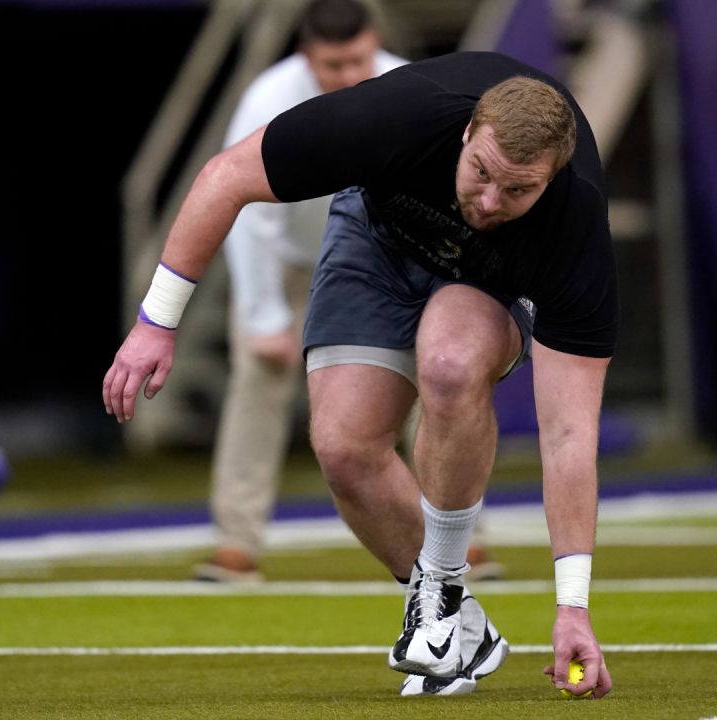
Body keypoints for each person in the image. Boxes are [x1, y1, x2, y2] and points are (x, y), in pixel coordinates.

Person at [104, 51, 616, 700]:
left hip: (487, 285)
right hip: (379, 240)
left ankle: (438, 595)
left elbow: (569, 435)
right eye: (481, 172)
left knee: (450, 361)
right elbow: (224, 176)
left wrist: (574, 606)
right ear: (465, 136)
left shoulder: (575, 222)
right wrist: (156, 322)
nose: (488, 201)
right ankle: (464, 627)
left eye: (518, 189)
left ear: (553, 178)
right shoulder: (394, 117)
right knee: (345, 448)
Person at [195, 0, 503, 584]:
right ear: (306, 56)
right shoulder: (267, 97)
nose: (347, 77)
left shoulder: (406, 85)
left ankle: (460, 536)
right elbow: (245, 212)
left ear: (374, 44)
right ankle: (237, 541)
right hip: (291, 270)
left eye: (357, 60)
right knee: (256, 383)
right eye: (332, 65)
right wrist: (262, 315)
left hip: (390, 267)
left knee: (437, 382)